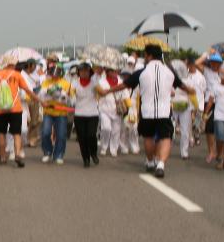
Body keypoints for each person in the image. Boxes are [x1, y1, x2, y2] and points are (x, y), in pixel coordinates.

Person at [114, 42, 186, 179]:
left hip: (147, 111)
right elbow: (182, 85)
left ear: (149, 56)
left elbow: (124, 85)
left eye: (145, 55)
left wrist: (108, 91)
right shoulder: (169, 71)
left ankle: (151, 161)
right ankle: (160, 164)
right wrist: (191, 91)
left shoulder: (141, 72)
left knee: (148, 138)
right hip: (164, 112)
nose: (144, 57)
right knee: (165, 138)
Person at [0, 60, 37, 166]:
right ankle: (17, 155)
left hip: (0, 109)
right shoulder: (17, 75)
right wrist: (39, 100)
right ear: (12, 65)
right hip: (15, 109)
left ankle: (2, 157)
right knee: (16, 134)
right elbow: (28, 90)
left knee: (1, 133)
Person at [38, 62, 76, 165]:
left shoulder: (66, 84)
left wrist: (64, 94)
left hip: (61, 112)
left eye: (57, 72)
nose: (55, 74)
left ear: (61, 73)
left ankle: (59, 155)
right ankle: (47, 152)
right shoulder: (46, 82)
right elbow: (40, 95)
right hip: (48, 111)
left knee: (61, 135)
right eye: (53, 72)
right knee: (45, 133)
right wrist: (47, 94)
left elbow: (71, 99)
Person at [72, 62, 101, 167]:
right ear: (78, 72)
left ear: (90, 72)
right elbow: (71, 93)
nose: (84, 73)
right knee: (82, 138)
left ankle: (93, 153)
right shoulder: (75, 83)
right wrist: (69, 95)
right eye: (81, 71)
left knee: (91, 135)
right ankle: (86, 158)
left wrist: (99, 89)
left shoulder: (94, 82)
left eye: (86, 71)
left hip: (92, 113)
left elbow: (101, 92)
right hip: (79, 114)